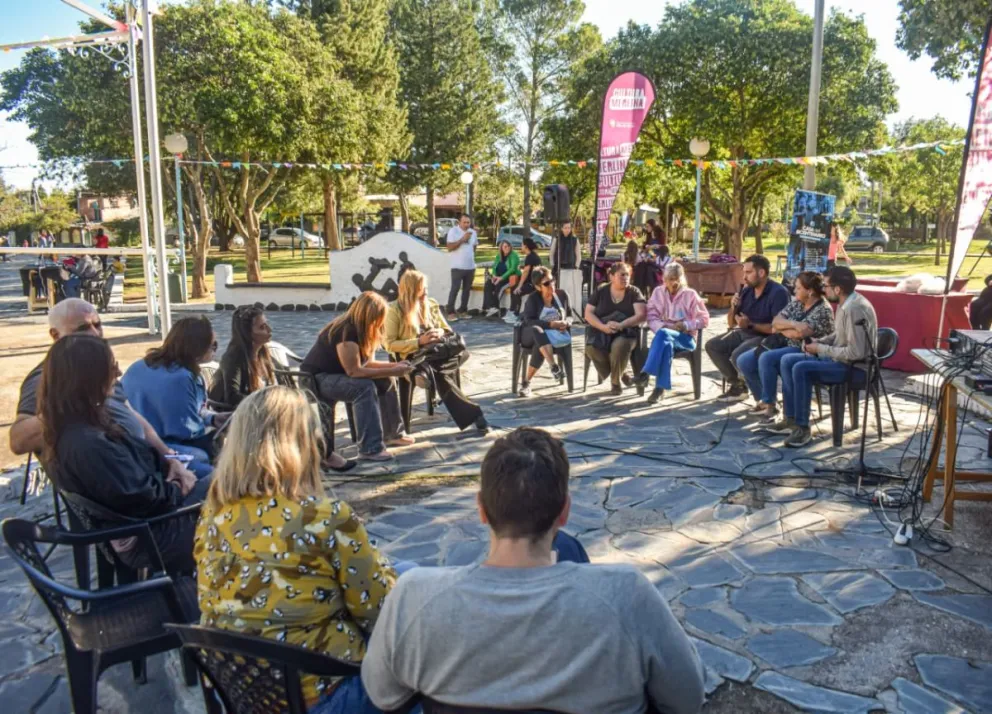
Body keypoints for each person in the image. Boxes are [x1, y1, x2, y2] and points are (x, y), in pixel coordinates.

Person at [360, 427, 705, 714]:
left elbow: (382, 694)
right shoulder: (626, 595)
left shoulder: (414, 596)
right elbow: (687, 699)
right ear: (564, 511)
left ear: (481, 509)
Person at [194, 386, 403, 714]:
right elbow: (379, 613)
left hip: (242, 689)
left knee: (406, 572)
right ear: (303, 444)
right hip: (319, 693)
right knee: (421, 656)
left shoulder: (212, 512)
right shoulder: (324, 518)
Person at [40, 334, 206, 573]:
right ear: (88, 378)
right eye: (111, 367)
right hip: (153, 536)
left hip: (147, 521)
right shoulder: (88, 444)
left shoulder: (75, 424)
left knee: (226, 482)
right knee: (232, 490)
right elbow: (144, 498)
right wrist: (180, 486)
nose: (118, 373)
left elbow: (137, 462)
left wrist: (172, 464)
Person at [7, 298, 212, 474]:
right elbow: (18, 441)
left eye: (98, 325)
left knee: (203, 461)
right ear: (55, 335)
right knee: (216, 481)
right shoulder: (47, 375)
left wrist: (168, 456)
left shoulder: (99, 364)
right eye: (83, 328)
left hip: (142, 456)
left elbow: (133, 416)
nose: (95, 334)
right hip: (124, 473)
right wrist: (77, 403)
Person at [764, 266, 877, 448]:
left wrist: (821, 349)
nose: (823, 289)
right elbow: (839, 335)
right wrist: (819, 342)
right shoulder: (846, 303)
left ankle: (803, 427)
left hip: (855, 368)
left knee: (801, 368)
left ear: (837, 289)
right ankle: (790, 417)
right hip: (841, 361)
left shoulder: (855, 309)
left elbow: (856, 353)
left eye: (826, 286)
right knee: (788, 360)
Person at [301, 292, 414, 462]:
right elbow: (354, 371)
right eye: (379, 317)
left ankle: (392, 434)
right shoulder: (346, 332)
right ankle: (370, 449)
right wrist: (393, 370)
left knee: (385, 379)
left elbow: (367, 364)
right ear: (370, 315)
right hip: (316, 380)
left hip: (334, 375)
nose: (381, 322)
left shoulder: (363, 331)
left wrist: (395, 366)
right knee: (364, 388)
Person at [385, 270, 489, 434]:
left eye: (426, 287)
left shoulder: (431, 304)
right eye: (422, 288)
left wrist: (440, 332)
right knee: (439, 373)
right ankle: (474, 415)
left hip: (439, 351)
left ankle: (422, 375)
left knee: (457, 355)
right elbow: (389, 344)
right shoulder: (394, 310)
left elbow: (447, 330)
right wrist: (419, 341)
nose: (426, 291)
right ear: (411, 290)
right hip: (415, 355)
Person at [122, 316, 230, 466]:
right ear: (198, 348)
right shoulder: (185, 377)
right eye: (213, 345)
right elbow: (187, 430)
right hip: (160, 448)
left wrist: (212, 418)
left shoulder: (139, 365)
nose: (214, 350)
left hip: (131, 442)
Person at [736, 271, 834, 419]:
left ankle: (770, 404)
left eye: (798, 288)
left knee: (767, 358)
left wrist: (783, 328)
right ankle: (763, 399)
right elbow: (775, 322)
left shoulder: (823, 310)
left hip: (805, 349)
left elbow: (800, 334)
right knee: (744, 360)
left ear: (810, 291)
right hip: (783, 343)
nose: (794, 291)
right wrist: (794, 324)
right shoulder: (798, 303)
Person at [705, 254, 790, 399]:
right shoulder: (747, 290)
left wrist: (750, 325)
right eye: (744, 272)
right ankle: (738, 385)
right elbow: (731, 323)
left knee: (738, 355)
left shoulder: (778, 293)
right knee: (713, 345)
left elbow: (777, 329)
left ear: (761, 273)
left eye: (748, 272)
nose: (744, 277)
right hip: (744, 332)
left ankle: (764, 399)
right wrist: (733, 306)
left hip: (767, 337)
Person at [639, 263, 710, 404]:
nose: (674, 282)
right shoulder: (658, 292)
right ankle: (659, 389)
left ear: (682, 278)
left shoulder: (690, 294)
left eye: (677, 278)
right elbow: (651, 316)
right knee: (665, 343)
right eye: (671, 279)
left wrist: (686, 325)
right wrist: (663, 327)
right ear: (664, 279)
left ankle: (645, 374)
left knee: (663, 336)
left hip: (685, 338)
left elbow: (704, 319)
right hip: (665, 336)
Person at [584, 262, 647, 395]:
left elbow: (641, 315)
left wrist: (621, 325)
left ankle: (615, 382)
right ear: (611, 276)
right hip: (603, 331)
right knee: (591, 348)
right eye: (622, 275)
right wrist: (603, 327)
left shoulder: (634, 292)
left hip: (626, 332)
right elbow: (588, 313)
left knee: (619, 346)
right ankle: (621, 373)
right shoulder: (601, 290)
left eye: (627, 275)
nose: (625, 278)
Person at [518, 267, 573, 397]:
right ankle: (553, 365)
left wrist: (566, 323)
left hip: (552, 336)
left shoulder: (562, 295)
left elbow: (570, 315)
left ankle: (526, 383)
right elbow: (529, 321)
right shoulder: (533, 299)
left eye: (552, 281)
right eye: (546, 283)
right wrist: (550, 324)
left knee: (540, 345)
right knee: (538, 331)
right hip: (531, 335)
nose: (551, 285)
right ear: (538, 287)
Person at [208, 305, 275, 409]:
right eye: (262, 327)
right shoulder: (233, 358)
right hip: (234, 413)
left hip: (257, 409)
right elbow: (232, 396)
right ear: (247, 333)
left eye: (267, 324)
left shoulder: (263, 353)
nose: (269, 329)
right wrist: (262, 403)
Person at [445, 213, 478, 319]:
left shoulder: (473, 232)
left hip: (470, 267)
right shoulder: (453, 231)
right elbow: (449, 247)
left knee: (466, 290)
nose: (467, 224)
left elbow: (474, 247)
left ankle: (463, 310)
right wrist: (462, 240)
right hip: (457, 267)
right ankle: (450, 312)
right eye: (464, 222)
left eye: (468, 222)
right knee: (455, 289)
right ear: (459, 222)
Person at [549, 220, 582, 319]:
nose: (567, 230)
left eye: (569, 228)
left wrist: (576, 267)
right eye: (565, 228)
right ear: (561, 229)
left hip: (571, 269)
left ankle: (571, 312)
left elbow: (578, 255)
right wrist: (553, 265)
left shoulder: (575, 240)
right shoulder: (557, 239)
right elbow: (551, 253)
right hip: (559, 269)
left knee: (570, 290)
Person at [483, 240, 520, 318]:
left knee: (499, 286)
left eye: (508, 246)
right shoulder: (498, 256)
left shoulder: (514, 255)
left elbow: (512, 269)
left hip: (510, 278)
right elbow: (494, 267)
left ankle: (495, 307)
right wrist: (494, 276)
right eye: (505, 247)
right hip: (499, 277)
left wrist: (501, 278)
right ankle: (489, 307)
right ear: (501, 248)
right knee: (488, 284)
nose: (507, 248)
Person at [509, 237, 542, 323]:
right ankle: (512, 311)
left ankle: (516, 314)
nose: (521, 247)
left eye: (522, 245)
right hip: (534, 282)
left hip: (533, 284)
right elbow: (529, 268)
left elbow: (526, 272)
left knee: (517, 292)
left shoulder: (530, 257)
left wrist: (519, 286)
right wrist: (522, 267)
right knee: (514, 288)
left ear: (526, 246)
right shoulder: (533, 255)